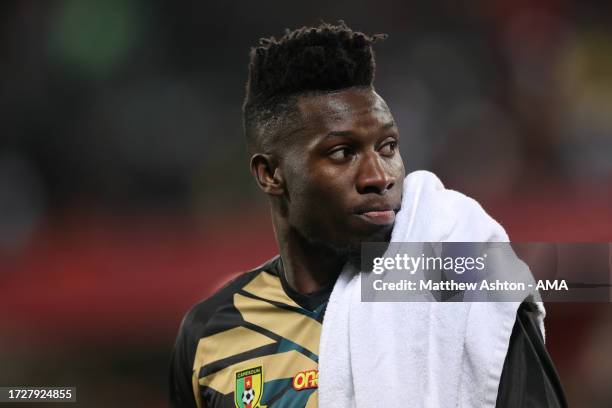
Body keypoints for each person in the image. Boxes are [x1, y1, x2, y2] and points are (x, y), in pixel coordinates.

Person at [169, 21, 566, 408]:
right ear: (271, 174)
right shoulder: (210, 335)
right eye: (342, 152)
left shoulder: (469, 302)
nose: (379, 176)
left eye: (388, 146)